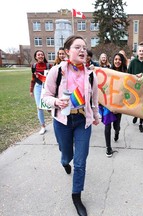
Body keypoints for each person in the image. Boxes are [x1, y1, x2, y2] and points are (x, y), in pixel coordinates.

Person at [43, 35, 100, 216]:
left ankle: (76, 196)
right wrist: (56, 102)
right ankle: (64, 161)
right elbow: (45, 97)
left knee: (81, 162)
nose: (82, 50)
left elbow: (95, 100)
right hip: (62, 121)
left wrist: (96, 116)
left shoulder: (91, 75)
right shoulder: (57, 71)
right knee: (66, 155)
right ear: (67, 52)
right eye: (78, 47)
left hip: (83, 121)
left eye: (84, 47)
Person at [104, 53, 128, 157]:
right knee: (107, 125)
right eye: (115, 59)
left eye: (119, 59)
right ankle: (108, 148)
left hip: (119, 104)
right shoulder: (108, 72)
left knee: (116, 126)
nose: (117, 61)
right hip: (108, 103)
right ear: (113, 60)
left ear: (122, 61)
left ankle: (117, 132)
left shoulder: (126, 74)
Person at [128, 42, 143, 132]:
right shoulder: (133, 62)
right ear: (137, 52)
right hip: (135, 88)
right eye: (140, 51)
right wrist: (135, 76)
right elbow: (129, 74)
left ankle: (141, 123)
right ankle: (136, 115)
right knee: (136, 104)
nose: (141, 52)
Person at [29, 50, 52, 135]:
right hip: (38, 87)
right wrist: (31, 90)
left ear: (44, 56)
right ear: (35, 56)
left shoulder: (48, 65)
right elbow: (33, 79)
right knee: (39, 107)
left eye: (42, 54)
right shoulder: (34, 66)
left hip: (47, 87)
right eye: (38, 55)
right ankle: (43, 126)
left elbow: (52, 78)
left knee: (49, 107)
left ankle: (57, 122)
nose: (40, 56)